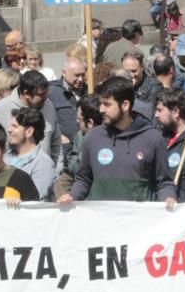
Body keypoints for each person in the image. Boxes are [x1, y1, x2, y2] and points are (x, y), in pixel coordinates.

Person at [59, 77, 175, 205]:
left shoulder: (153, 138)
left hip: (139, 221)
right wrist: (73, 196)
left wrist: (168, 198)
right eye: (101, 103)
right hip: (101, 219)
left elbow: (164, 183)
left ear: (125, 105)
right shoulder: (92, 137)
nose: (101, 109)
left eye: (107, 104)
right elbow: (83, 179)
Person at [0, 70, 62, 166]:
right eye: (41, 94)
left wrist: (56, 172)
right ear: (26, 94)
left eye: (46, 93)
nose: (46, 97)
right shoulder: (0, 110)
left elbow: (56, 144)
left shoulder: (49, 106)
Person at [2, 106, 56, 201]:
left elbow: (36, 201)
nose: (8, 130)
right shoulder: (5, 157)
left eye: (14, 126)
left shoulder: (43, 164)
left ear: (29, 131)